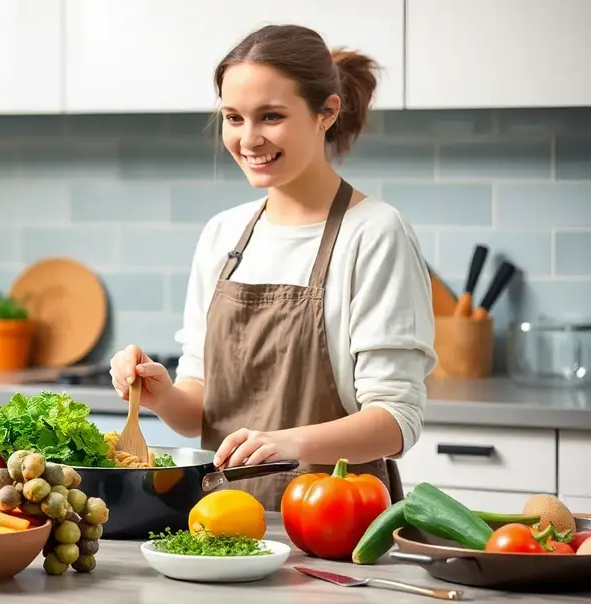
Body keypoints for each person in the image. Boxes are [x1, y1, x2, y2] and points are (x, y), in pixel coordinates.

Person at [109, 24, 436, 511]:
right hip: (221, 520)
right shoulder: (224, 234)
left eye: (271, 116)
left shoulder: (374, 233)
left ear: (326, 112)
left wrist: (289, 444)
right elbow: (201, 409)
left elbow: (395, 421)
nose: (248, 139)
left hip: (335, 521)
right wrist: (159, 394)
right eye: (233, 117)